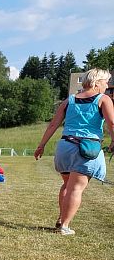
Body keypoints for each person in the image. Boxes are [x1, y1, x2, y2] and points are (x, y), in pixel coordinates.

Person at [34, 68, 114, 235]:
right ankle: (65, 226)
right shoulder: (103, 99)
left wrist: (41, 146)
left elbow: (52, 125)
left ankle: (61, 218)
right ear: (97, 82)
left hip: (64, 147)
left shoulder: (68, 100)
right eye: (106, 82)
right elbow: (112, 123)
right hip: (85, 149)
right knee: (76, 188)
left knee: (67, 185)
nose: (107, 86)